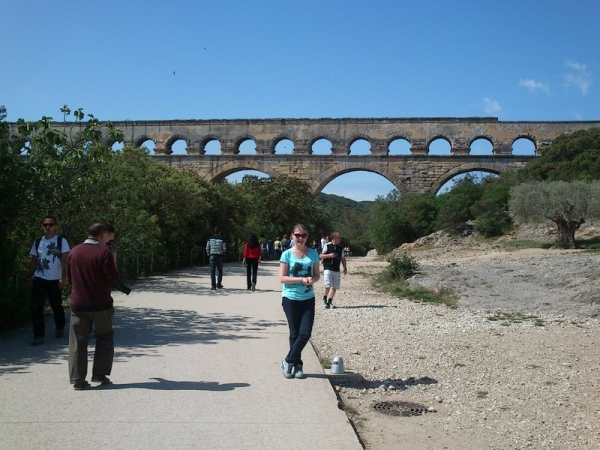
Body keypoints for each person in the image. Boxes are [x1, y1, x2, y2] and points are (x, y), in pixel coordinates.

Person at [66, 223, 120, 390]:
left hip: (79, 304)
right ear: (102, 235)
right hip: (101, 304)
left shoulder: (74, 251)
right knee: (104, 337)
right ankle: (99, 374)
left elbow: (69, 277)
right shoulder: (103, 252)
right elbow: (113, 278)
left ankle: (77, 379)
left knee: (78, 342)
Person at [279, 224, 320, 379]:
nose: (300, 238)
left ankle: (288, 360)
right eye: (298, 235)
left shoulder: (313, 254)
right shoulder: (287, 255)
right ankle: (298, 365)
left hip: (308, 299)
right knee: (294, 333)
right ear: (292, 236)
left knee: (305, 333)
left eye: (303, 235)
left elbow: (317, 275)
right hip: (290, 298)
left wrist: (311, 279)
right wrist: (301, 279)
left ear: (307, 236)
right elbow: (282, 278)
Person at [27, 216, 71, 346]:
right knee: (36, 307)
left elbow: (65, 261)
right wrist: (29, 276)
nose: (47, 227)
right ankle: (38, 335)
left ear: (55, 226)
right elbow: (34, 260)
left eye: (50, 224)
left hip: (55, 279)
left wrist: (64, 278)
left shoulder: (61, 241)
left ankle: (60, 326)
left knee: (56, 306)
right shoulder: (37, 242)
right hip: (40, 278)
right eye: (45, 224)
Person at [320, 232, 347, 309]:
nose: (340, 239)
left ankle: (330, 300)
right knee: (327, 285)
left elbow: (343, 258)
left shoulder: (340, 247)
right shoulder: (327, 245)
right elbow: (321, 255)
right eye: (339, 237)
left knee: (334, 286)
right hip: (328, 267)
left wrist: (345, 268)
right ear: (334, 238)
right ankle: (324, 298)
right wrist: (329, 255)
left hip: (336, 269)